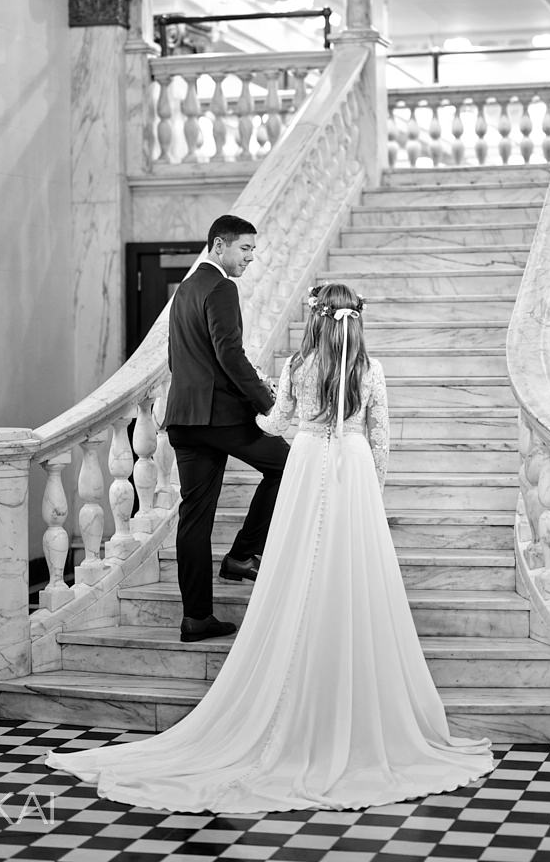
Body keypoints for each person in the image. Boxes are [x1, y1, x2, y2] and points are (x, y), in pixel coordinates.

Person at [48, 281, 495, 812]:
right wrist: (373, 487)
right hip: (351, 468)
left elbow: (275, 422)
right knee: (353, 576)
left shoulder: (298, 368)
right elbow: (381, 436)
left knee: (298, 570)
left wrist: (265, 409)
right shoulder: (369, 371)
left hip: (306, 464)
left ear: (313, 320)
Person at [164, 214, 289, 644]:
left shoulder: (184, 291)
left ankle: (196, 618)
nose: (251, 258)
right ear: (220, 246)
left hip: (183, 420)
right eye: (246, 249)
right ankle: (240, 555)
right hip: (218, 418)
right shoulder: (221, 287)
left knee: (194, 521)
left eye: (253, 250)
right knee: (287, 465)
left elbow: (175, 358)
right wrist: (269, 403)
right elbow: (229, 355)